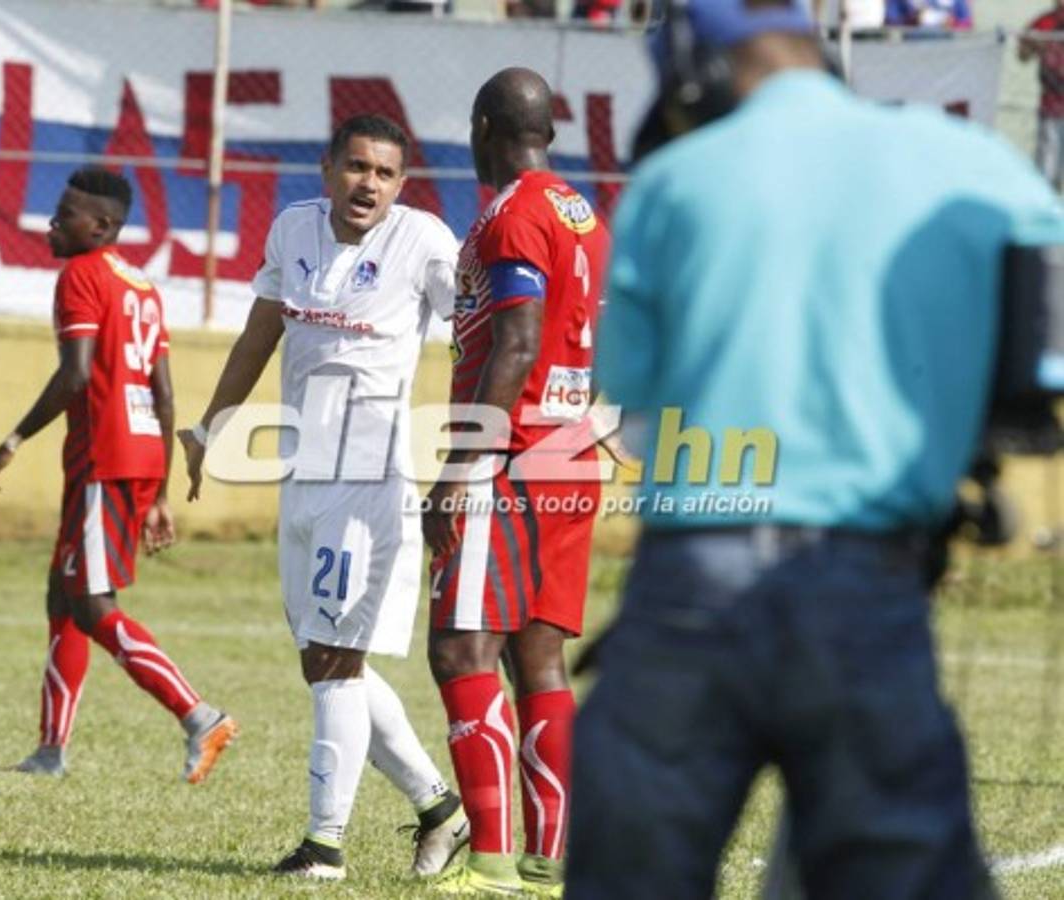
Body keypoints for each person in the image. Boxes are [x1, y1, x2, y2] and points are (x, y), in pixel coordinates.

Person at [566, 0, 1063, 897]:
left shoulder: (675, 181)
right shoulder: (979, 167)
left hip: (691, 589)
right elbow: (1043, 353)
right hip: (869, 589)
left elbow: (635, 410)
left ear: (692, 73)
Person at [179, 114, 469, 881]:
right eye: (356, 167)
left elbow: (476, 331)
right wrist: (210, 430)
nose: (368, 183)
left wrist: (469, 455)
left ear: (400, 184)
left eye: (384, 172)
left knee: (339, 661)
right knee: (322, 661)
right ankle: (441, 808)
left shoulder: (424, 241)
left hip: (369, 483)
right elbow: (257, 336)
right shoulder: (291, 229)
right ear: (327, 167)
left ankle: (324, 846)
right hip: (300, 474)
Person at [0, 167, 238, 783]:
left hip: (105, 456)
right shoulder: (140, 283)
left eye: (64, 214)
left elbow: (75, 374)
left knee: (93, 605)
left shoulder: (81, 275)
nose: (51, 223)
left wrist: (12, 440)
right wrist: (161, 491)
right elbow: (165, 392)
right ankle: (49, 750)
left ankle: (200, 715)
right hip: (134, 455)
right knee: (63, 597)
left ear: (101, 226)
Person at [421, 67, 610, 896]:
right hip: (568, 452)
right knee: (539, 656)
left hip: (511, 460)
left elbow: (519, 343)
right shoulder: (581, 212)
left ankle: (492, 863)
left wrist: (461, 469)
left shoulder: (511, 214)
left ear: (481, 126)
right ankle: (548, 860)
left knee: (461, 646)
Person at [1020, 1, 1064, 191]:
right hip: (1051, 107)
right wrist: (1035, 45)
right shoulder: (1045, 22)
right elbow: (1022, 55)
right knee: (1046, 174)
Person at [884, 0, 972, 29]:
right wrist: (913, 20)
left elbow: (966, 22)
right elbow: (891, 22)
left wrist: (952, 23)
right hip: (910, 47)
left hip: (947, 48)